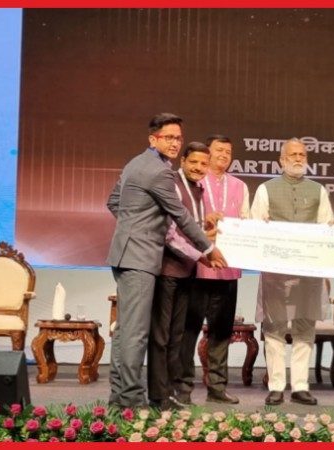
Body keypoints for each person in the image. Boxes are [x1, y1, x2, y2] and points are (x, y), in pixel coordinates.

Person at [106, 113, 226, 409]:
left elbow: (114, 202)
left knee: (124, 332)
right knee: (135, 334)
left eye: (178, 138)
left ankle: (119, 396)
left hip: (126, 253)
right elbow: (180, 215)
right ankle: (132, 401)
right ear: (153, 139)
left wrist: (133, 226)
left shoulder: (135, 163)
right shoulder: (159, 172)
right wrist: (209, 248)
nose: (175, 143)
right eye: (168, 138)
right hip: (140, 257)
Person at [250, 138, 334, 406]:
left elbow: (327, 225)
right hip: (275, 273)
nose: (298, 159)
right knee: (273, 328)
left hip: (308, 274)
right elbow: (254, 225)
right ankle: (276, 386)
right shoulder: (265, 189)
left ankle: (299, 387)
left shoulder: (318, 190)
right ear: (281, 160)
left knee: (304, 328)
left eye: (302, 154)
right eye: (293, 154)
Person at [176, 135, 250, 405]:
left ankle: (217, 387)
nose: (224, 155)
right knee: (189, 331)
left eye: (228, 152)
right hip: (197, 268)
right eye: (219, 150)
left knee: (221, 331)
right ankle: (183, 388)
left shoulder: (240, 186)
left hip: (228, 269)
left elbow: (247, 221)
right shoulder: (194, 183)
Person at [148, 142, 212, 410]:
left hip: (187, 272)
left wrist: (209, 231)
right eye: (194, 162)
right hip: (167, 270)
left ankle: (170, 392)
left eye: (204, 164)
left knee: (177, 336)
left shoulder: (199, 189)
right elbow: (169, 235)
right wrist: (202, 254)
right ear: (183, 161)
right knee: (161, 336)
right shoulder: (173, 184)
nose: (198, 167)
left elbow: (192, 229)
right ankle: (157, 395)